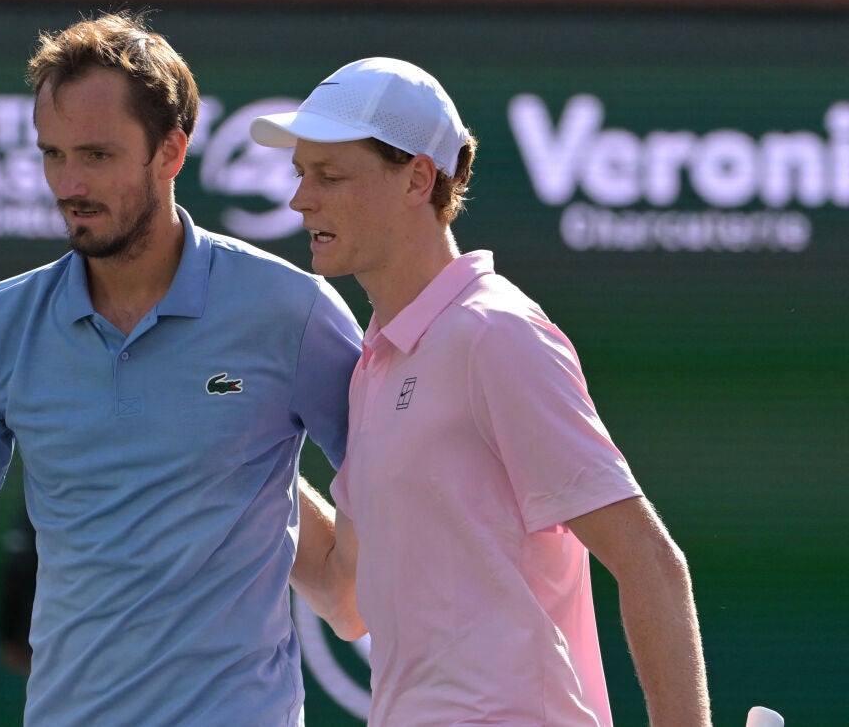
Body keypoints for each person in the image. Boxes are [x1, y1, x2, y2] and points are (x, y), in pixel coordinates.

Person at [0, 12, 362, 725]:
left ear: (170, 152)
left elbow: (400, 507)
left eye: (97, 155)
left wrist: (258, 481)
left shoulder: (292, 311)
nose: (68, 183)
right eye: (53, 154)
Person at [254, 58, 711, 725]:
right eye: (301, 174)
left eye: (329, 177)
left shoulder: (494, 333)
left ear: (417, 178)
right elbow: (343, 592)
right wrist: (230, 450)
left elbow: (650, 562)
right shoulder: (374, 363)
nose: (301, 200)